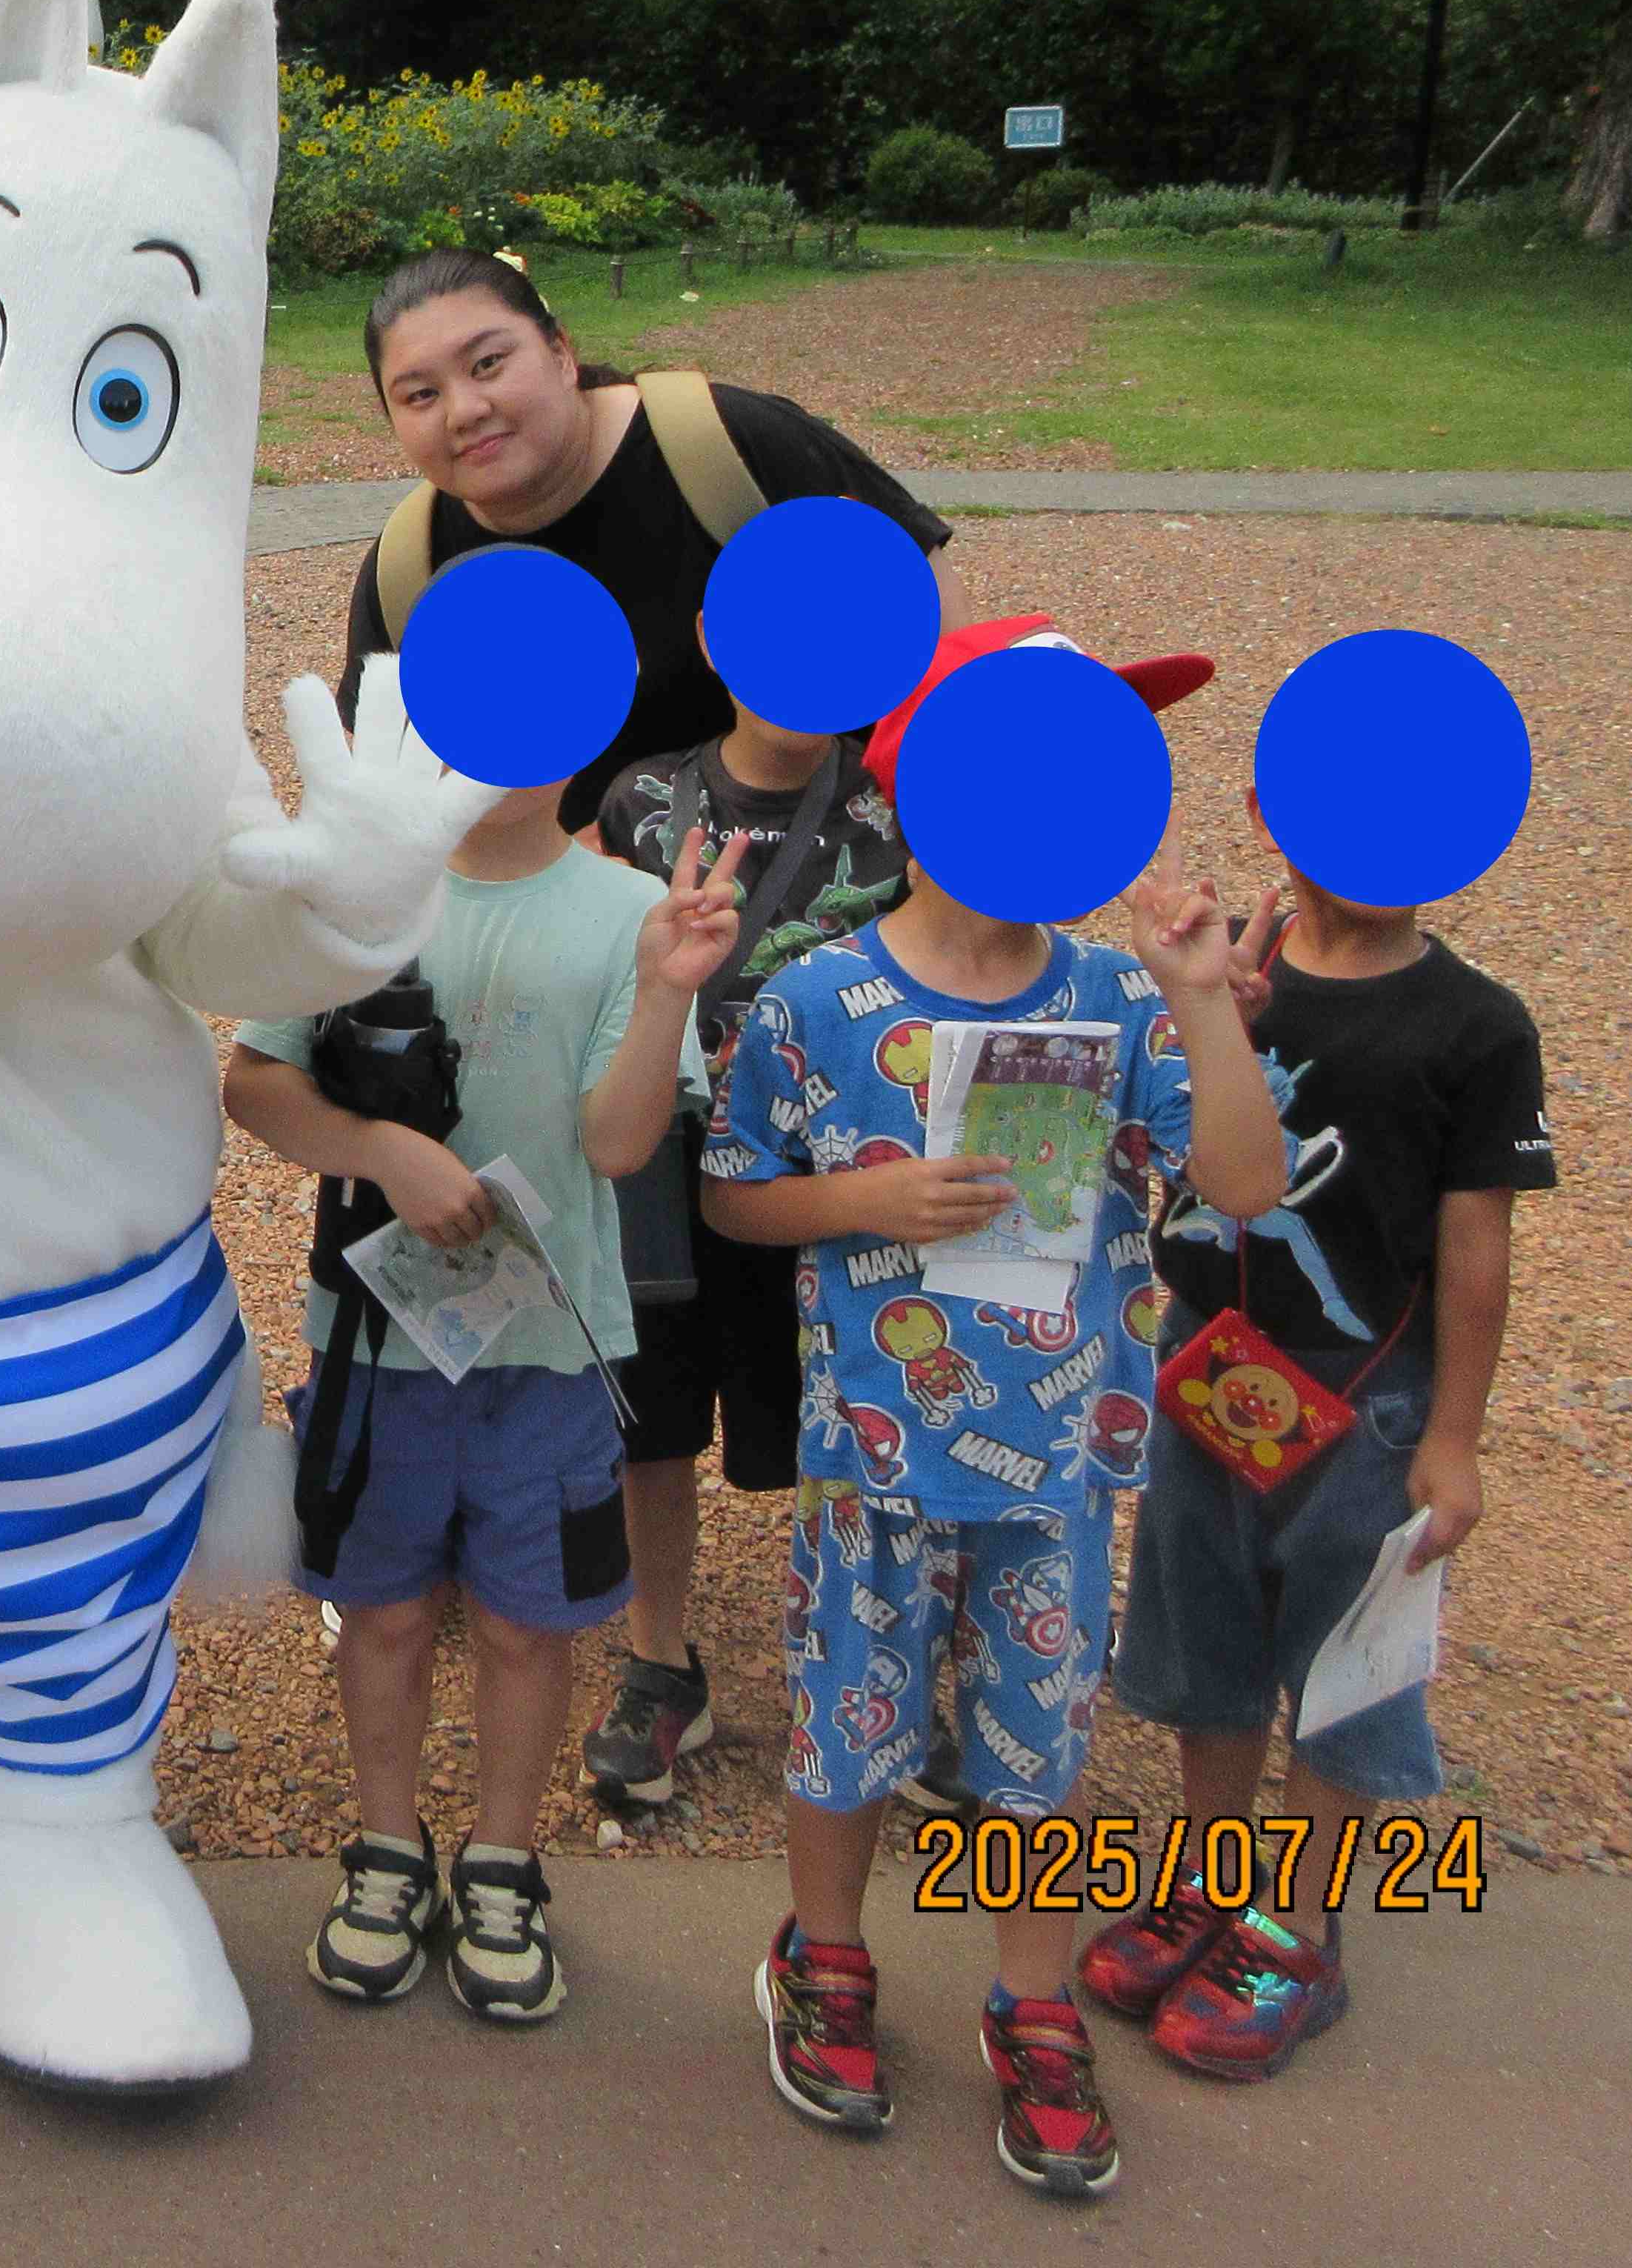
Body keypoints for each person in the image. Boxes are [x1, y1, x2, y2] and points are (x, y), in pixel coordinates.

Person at [703, 618, 1286, 2203]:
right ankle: (824, 1956)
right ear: (925, 785)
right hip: (865, 1459)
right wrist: (860, 1197)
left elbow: (1241, 1185)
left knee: (1038, 1747)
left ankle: (1031, 2001)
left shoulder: (1119, 995)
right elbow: (734, 1194)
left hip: (1058, 1468)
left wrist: (1205, 1004)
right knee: (844, 1729)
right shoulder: (816, 1000)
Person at [224, 751, 744, 2022]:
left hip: (548, 1351)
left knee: (525, 1623)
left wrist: (666, 991)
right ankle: (386, 1849)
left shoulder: (629, 910)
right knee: (384, 1614)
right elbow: (254, 1080)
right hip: (374, 1346)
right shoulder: (355, 896)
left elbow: (617, 1142)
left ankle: (503, 1859)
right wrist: (379, 1150)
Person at [1082, 785, 1551, 2079]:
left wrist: (1453, 1438)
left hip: (1368, 1391)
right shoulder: (1231, 972)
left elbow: (1476, 1244)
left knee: (1343, 1663)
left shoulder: (1477, 1025)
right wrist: (1201, 1011)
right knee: (1208, 1632)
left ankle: (1295, 1928)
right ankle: (1212, 1881)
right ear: (1271, 808)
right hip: (1204, 1367)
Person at [578, 622, 910, 1803]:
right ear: (715, 642)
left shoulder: (895, 809)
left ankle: (880, 1661)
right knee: (654, 1424)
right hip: (658, 1164)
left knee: (853, 1416)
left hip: (829, 1179)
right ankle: (660, 1662)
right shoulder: (641, 802)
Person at [338, 249, 961, 832]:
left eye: (488, 364)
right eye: (421, 395)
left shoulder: (728, 450)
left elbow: (946, 645)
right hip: (584, 910)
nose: (465, 410)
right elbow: (379, 816)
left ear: (561, 353)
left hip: (839, 883)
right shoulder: (410, 570)